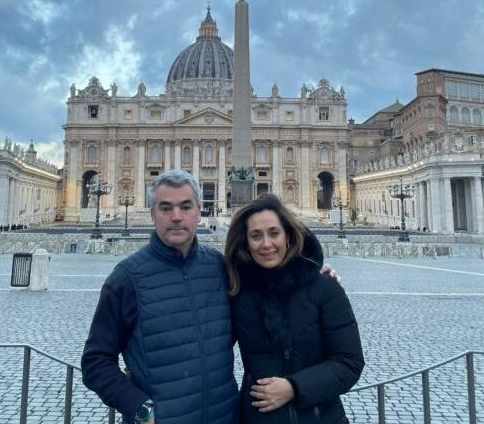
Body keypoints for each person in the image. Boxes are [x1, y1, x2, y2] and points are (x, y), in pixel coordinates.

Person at [82, 169, 238, 424]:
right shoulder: (126, 279)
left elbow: (251, 322)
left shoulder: (219, 267)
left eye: (185, 207)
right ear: (152, 213)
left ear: (198, 212)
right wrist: (140, 409)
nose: (176, 216)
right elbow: (95, 362)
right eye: (166, 208)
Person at [225, 194, 364, 424]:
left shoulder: (324, 287)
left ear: (288, 235)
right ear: (246, 242)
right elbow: (208, 349)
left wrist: (294, 387)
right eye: (256, 236)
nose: (266, 244)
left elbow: (349, 362)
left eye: (274, 233)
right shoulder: (237, 292)